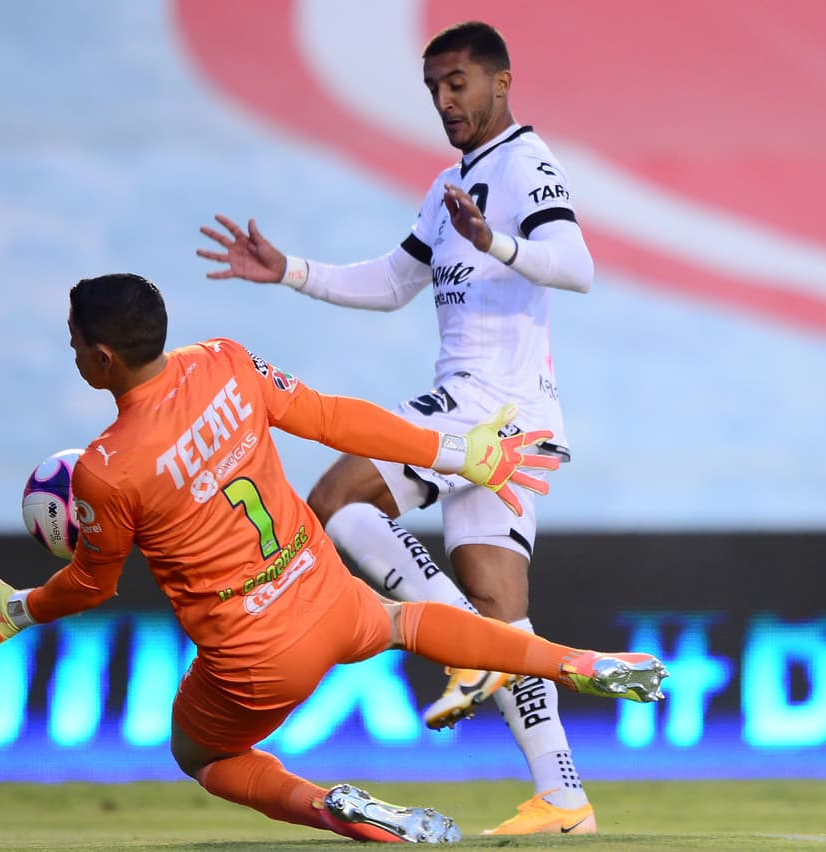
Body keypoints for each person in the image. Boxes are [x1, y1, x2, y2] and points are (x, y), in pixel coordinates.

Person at [0, 273, 667, 844]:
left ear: (102, 356)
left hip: (255, 656)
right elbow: (331, 417)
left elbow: (93, 583)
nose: (74, 352)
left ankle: (334, 809)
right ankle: (574, 661)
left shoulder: (107, 471)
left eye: (74, 342)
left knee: (200, 754)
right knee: (404, 620)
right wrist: (457, 455)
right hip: (325, 593)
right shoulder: (224, 361)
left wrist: (17, 611)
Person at [198, 20, 601, 836]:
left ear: (502, 80)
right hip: (499, 413)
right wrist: (292, 273)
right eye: (433, 89)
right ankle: (563, 796)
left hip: (489, 407)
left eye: (457, 83)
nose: (445, 100)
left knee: (339, 494)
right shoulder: (450, 182)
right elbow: (392, 281)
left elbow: (579, 264)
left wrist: (500, 243)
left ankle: (456, 649)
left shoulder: (526, 164)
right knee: (500, 610)